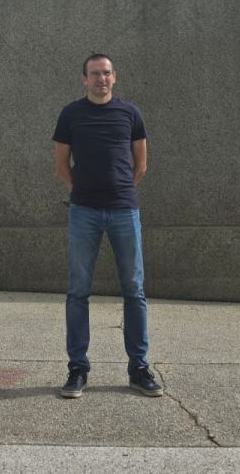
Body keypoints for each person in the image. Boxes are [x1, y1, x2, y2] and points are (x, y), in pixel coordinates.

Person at [53, 52, 160, 399]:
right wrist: (80, 191)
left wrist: (122, 190)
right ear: (84, 79)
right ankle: (77, 368)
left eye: (107, 73)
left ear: (114, 77)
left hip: (124, 211)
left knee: (134, 290)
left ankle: (139, 368)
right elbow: (62, 163)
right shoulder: (71, 114)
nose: (101, 79)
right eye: (95, 73)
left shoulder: (130, 114)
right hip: (83, 211)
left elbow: (140, 164)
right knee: (78, 291)